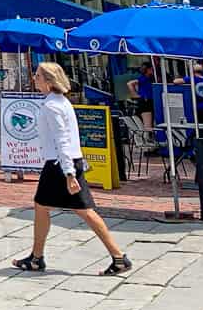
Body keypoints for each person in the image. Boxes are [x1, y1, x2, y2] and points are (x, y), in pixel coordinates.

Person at [12, 63, 131, 276]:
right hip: (62, 162)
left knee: (84, 210)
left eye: (38, 75)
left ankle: (119, 256)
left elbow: (62, 140)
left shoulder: (52, 106)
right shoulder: (59, 101)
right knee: (41, 205)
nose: (34, 78)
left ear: (49, 81)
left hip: (60, 165)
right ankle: (36, 256)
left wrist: (69, 174)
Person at [132, 62, 156, 129]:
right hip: (146, 102)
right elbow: (130, 83)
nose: (153, 70)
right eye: (151, 69)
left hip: (147, 101)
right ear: (148, 70)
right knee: (148, 125)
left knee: (149, 124)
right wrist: (135, 95)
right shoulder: (144, 78)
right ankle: (147, 138)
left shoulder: (148, 78)